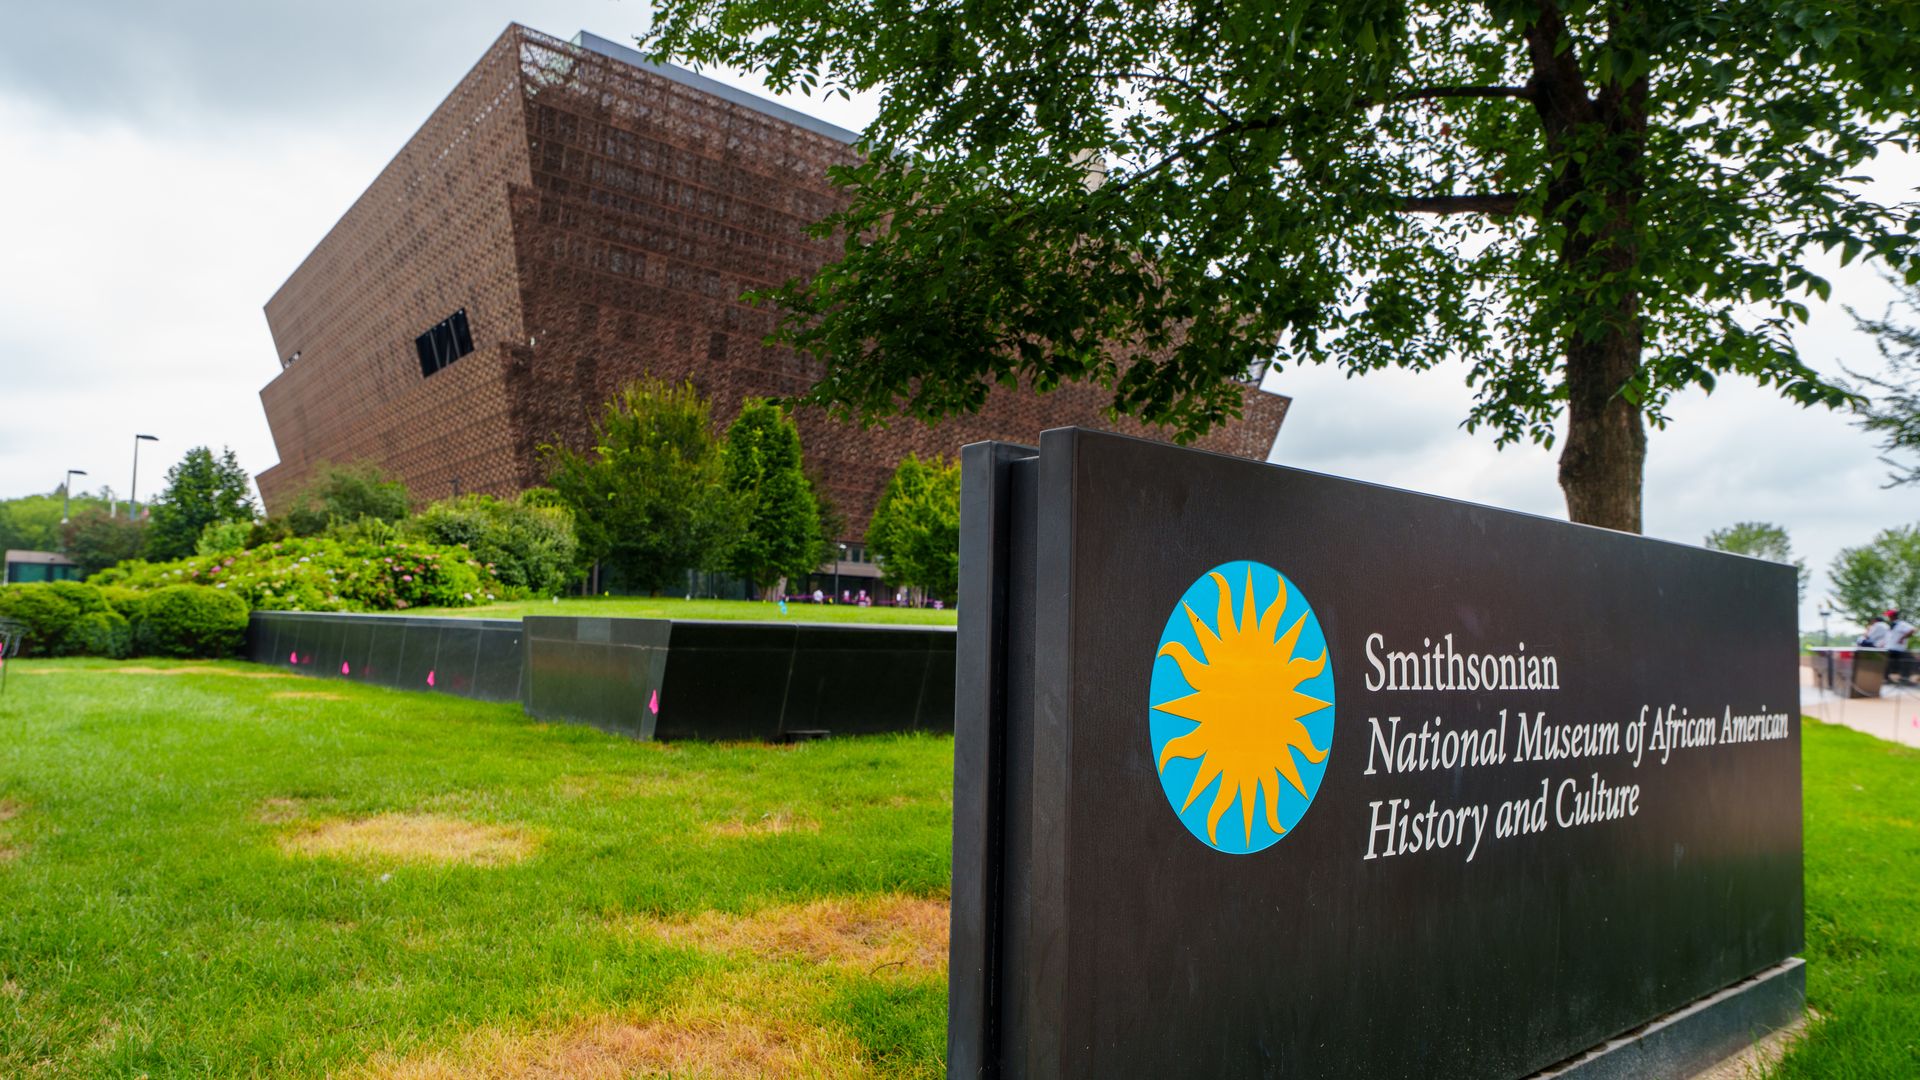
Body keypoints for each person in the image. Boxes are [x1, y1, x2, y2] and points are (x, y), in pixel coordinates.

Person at [1888, 610, 1916, 684]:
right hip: (1890, 648)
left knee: (1902, 665)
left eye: (1889, 616)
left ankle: (1905, 680)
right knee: (1889, 665)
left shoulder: (1902, 624)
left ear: (1892, 616)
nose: (1888, 617)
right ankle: (1889, 680)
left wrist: (1902, 638)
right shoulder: (1892, 624)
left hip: (1898, 649)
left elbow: (1913, 629)